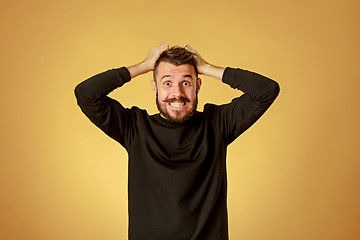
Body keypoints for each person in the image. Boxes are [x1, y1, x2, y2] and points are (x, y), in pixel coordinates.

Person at [74, 44, 280, 240]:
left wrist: (207, 68)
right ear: (155, 88)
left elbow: (266, 91)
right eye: (167, 82)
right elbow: (86, 94)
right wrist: (144, 66)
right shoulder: (135, 128)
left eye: (186, 82)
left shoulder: (218, 124)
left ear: (198, 85)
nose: (177, 93)